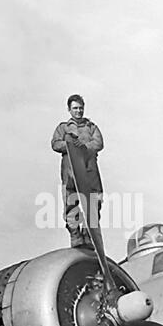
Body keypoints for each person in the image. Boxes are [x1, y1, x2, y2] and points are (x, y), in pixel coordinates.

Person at [51, 94, 103, 248]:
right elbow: (55, 144)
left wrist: (84, 147)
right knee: (70, 201)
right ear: (69, 109)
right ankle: (75, 235)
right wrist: (70, 145)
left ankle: (88, 234)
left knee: (95, 200)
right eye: (75, 108)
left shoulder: (91, 127)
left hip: (89, 167)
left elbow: (99, 143)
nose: (78, 111)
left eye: (81, 108)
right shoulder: (63, 128)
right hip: (70, 169)